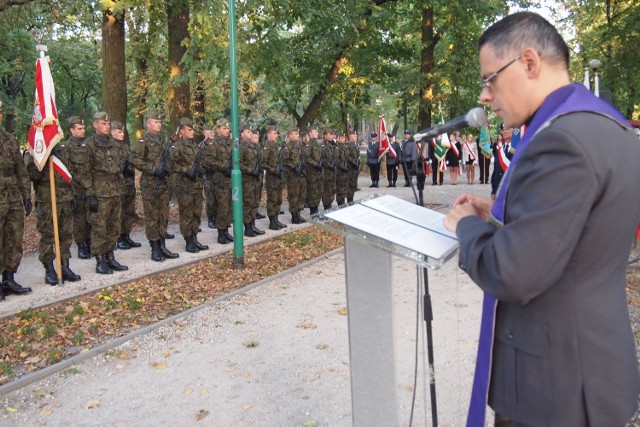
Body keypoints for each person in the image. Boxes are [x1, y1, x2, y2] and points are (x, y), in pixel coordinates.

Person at [444, 12, 640, 426]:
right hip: (589, 365)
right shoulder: (606, 126)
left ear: (529, 63)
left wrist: (466, 223)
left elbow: (512, 273)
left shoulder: (560, 142)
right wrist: (497, 211)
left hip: (554, 386)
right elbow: (578, 233)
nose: (485, 97)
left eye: (489, 79)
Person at [25, 134, 81, 285]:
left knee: (66, 234)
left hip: (65, 198)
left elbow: (72, 174)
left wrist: (74, 194)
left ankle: (65, 267)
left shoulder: (64, 150)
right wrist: (44, 158)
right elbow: (32, 175)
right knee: (48, 235)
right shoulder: (37, 152)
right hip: (47, 199)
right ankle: (49, 269)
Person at [79, 112, 128, 274]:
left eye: (108, 124)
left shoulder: (114, 144)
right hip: (99, 192)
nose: (106, 126)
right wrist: (90, 193)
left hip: (114, 189)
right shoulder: (89, 145)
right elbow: (84, 172)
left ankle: (110, 256)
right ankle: (100, 260)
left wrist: (120, 187)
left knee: (114, 225)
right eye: (103, 123)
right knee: (99, 227)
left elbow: (119, 166)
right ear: (95, 125)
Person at [129, 111, 180, 260]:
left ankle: (162, 245)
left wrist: (167, 168)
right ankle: (154, 248)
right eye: (155, 122)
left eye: (160, 122)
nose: (159, 124)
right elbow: (134, 159)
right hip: (150, 184)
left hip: (163, 183)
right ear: (148, 124)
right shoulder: (143, 141)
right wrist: (153, 169)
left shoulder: (163, 141)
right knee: (152, 217)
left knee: (163, 215)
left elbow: (168, 159)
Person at [0, 102, 32, 298]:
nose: (0, 115)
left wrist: (26, 194)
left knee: (14, 238)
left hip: (12, 197)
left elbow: (21, 169)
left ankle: (9, 278)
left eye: (1, 112)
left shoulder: (9, 139)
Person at [169, 118, 208, 252]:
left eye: (193, 129)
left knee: (197, 212)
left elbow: (200, 162)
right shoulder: (177, 146)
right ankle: (188, 241)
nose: (192, 132)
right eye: (189, 130)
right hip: (185, 185)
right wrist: (186, 170)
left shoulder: (195, 146)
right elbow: (172, 164)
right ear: (182, 131)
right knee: (187, 213)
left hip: (197, 185)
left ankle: (195, 238)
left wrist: (201, 169)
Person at [201, 118, 234, 244]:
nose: (226, 130)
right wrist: (223, 166)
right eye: (224, 128)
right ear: (218, 129)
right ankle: (221, 233)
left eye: (227, 128)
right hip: (219, 180)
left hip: (230, 179)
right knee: (222, 207)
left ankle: (226, 230)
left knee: (229, 207)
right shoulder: (213, 144)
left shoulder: (232, 143)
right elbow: (208, 161)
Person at [111, 121, 141, 250]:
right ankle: (119, 238)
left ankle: (126, 235)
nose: (122, 134)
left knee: (129, 212)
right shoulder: (110, 147)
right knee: (120, 213)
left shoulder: (125, 147)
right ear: (112, 132)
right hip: (119, 185)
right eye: (119, 131)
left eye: (123, 131)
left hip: (129, 184)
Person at [66, 116, 92, 259]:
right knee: (80, 219)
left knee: (91, 216)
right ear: (71, 130)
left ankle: (90, 241)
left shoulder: (88, 145)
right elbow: (68, 171)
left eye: (83, 128)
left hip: (90, 187)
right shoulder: (67, 147)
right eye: (79, 128)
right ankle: (81, 245)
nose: (83, 131)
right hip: (77, 188)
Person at [239, 125, 264, 237]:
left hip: (256, 180)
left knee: (254, 203)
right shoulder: (241, 147)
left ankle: (252, 225)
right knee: (248, 204)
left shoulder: (253, 147)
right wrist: (250, 170)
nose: (250, 133)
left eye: (250, 132)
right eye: (248, 131)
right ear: (242, 134)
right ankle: (248, 227)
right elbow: (238, 163)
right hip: (247, 180)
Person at [261, 125, 286, 230]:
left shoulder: (275, 146)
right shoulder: (267, 146)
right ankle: (272, 221)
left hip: (278, 176)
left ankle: (276, 219)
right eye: (274, 133)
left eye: (277, 133)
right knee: (272, 199)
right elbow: (263, 162)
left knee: (278, 199)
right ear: (268, 134)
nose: (276, 135)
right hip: (272, 177)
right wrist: (273, 169)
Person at [282, 127, 306, 224]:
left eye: (298, 133)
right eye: (295, 134)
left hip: (301, 174)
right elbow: (285, 161)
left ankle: (298, 213)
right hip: (293, 175)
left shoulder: (299, 145)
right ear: (290, 135)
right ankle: (294, 216)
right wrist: (294, 167)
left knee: (301, 195)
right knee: (294, 195)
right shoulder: (287, 147)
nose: (298, 135)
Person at [201, 124, 218, 229]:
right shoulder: (201, 146)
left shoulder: (216, 145)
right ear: (204, 133)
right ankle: (211, 218)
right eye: (209, 132)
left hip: (218, 175)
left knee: (218, 197)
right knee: (210, 199)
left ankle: (218, 218)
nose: (211, 133)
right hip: (208, 176)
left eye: (212, 132)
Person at [304, 125, 324, 215]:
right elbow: (306, 158)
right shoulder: (309, 144)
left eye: (317, 132)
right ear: (310, 133)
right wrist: (316, 164)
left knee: (319, 191)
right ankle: (313, 212)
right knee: (313, 192)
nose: (317, 133)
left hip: (318, 172)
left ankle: (316, 210)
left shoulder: (317, 143)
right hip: (312, 172)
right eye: (315, 132)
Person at [490, 131, 512, 199]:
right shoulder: (499, 150)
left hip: (512, 191)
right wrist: (494, 190)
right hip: (500, 190)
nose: (505, 131)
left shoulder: (519, 147)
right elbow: (496, 171)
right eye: (504, 129)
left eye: (508, 129)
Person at [321, 128, 337, 210]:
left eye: (332, 134)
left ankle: (329, 206)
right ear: (325, 135)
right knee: (326, 191)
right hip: (326, 172)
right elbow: (322, 159)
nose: (332, 136)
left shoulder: (331, 146)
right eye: (330, 134)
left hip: (332, 172)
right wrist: (330, 165)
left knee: (332, 190)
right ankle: (326, 208)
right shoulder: (322, 146)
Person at [346, 130, 360, 203]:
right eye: (354, 136)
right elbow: (347, 156)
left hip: (355, 168)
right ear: (350, 137)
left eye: (356, 136)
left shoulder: (355, 145)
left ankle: (352, 198)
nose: (355, 137)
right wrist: (354, 162)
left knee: (354, 184)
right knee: (350, 184)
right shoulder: (348, 145)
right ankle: (349, 200)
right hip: (350, 167)